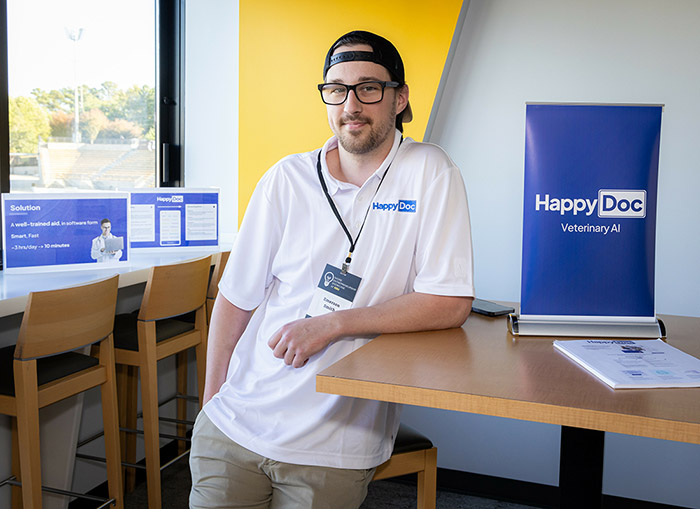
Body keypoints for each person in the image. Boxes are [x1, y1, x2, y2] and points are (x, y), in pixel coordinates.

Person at [190, 30, 475, 509]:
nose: (351, 105)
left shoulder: (430, 172)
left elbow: (449, 301)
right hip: (236, 423)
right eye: (336, 89)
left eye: (369, 88)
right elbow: (236, 299)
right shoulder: (286, 178)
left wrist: (333, 324)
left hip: (336, 444)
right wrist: (211, 405)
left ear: (399, 97)